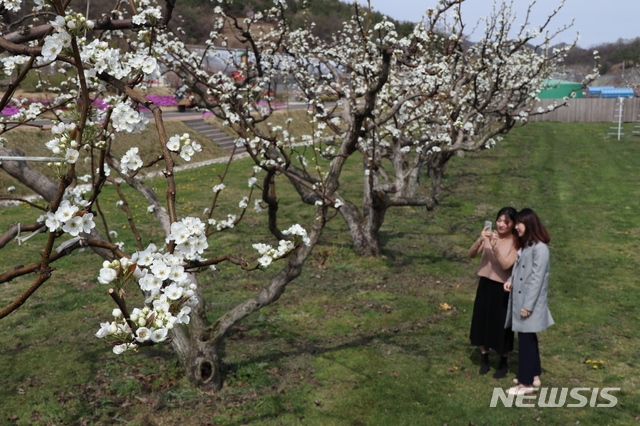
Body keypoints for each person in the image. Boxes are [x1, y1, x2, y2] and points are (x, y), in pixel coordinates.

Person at [503, 208, 554, 395]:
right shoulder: (527, 245)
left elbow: (536, 278)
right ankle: (533, 375)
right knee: (528, 339)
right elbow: (519, 270)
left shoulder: (540, 248)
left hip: (528, 303)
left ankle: (525, 384)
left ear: (529, 224)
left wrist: (528, 305)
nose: (516, 227)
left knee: (525, 342)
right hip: (521, 300)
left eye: (519, 223)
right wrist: (510, 281)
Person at [468, 207, 518, 378]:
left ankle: (503, 362)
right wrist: (480, 239)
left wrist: (495, 247)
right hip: (485, 284)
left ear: (513, 224)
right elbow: (471, 254)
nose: (501, 224)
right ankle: (485, 359)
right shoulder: (490, 236)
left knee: (501, 325)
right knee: (483, 320)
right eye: (499, 220)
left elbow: (506, 265)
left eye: (506, 222)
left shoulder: (515, 242)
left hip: (502, 288)